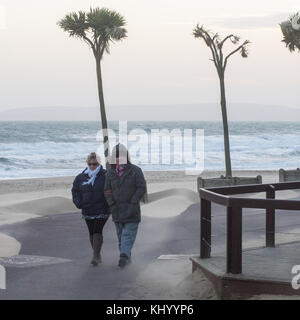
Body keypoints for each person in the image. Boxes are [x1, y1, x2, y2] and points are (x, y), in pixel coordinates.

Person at [104, 144, 146, 268]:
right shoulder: (110, 173)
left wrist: (134, 201)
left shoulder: (135, 171)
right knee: (121, 236)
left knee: (128, 235)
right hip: (117, 211)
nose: (118, 159)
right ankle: (126, 257)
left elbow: (141, 187)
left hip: (132, 210)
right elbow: (107, 190)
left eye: (121, 156)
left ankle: (123, 257)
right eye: (116, 157)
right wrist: (111, 203)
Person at [72, 152, 110, 266]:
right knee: (92, 232)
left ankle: (96, 255)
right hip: (88, 209)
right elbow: (75, 192)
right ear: (87, 164)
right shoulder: (80, 177)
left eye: (95, 164)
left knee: (98, 230)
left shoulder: (105, 175)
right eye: (90, 164)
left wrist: (109, 203)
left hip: (102, 209)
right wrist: (79, 203)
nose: (92, 166)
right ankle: (96, 253)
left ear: (99, 164)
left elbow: (112, 189)